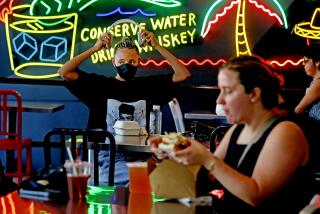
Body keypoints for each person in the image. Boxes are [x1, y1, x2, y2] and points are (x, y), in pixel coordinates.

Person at [149, 57, 315, 213]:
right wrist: (176, 153)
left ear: (254, 94)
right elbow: (211, 176)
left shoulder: (286, 132)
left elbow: (255, 195)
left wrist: (206, 157)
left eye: (227, 91)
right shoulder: (238, 130)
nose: (219, 100)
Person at [59, 28, 191, 186]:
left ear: (138, 62)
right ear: (113, 62)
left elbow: (183, 74)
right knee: (139, 182)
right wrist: (95, 48)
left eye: (131, 62)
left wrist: (157, 45)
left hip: (141, 156)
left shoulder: (149, 86)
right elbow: (65, 72)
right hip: (108, 156)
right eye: (121, 62)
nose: (126, 66)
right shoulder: (100, 86)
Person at [295, 43, 320, 120]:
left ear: (317, 62)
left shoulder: (318, 83)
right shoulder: (316, 81)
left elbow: (298, 109)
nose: (303, 63)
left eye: (306, 61)